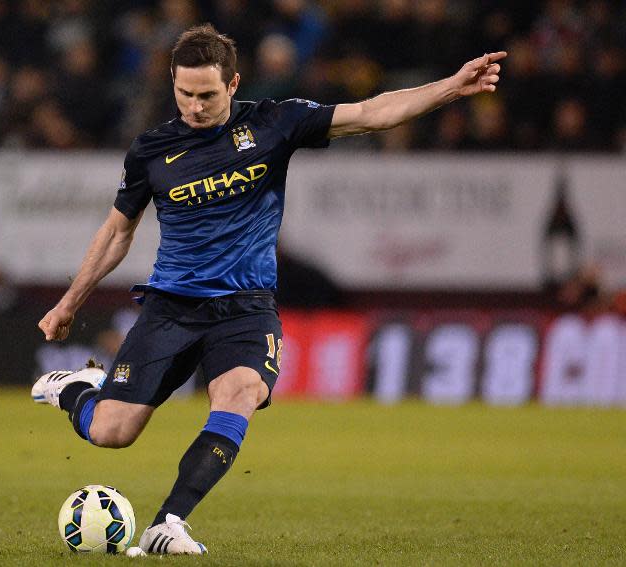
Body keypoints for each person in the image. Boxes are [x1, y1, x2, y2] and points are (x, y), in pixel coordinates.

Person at [32, 23, 506, 555]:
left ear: (233, 85)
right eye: (184, 93)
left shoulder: (275, 123)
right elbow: (119, 231)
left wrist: (449, 86)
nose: (194, 106)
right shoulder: (151, 150)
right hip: (172, 307)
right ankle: (72, 389)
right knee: (112, 432)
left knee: (240, 392)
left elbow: (372, 112)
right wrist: (68, 303)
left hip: (246, 308)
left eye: (207, 95)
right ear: (172, 83)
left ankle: (169, 523)